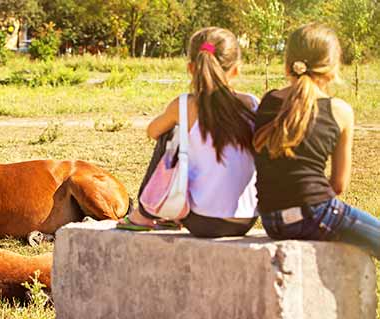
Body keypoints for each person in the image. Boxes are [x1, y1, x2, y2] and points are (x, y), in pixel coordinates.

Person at [117, 27, 258, 238]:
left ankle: (145, 214)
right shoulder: (253, 103)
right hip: (246, 220)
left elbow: (152, 131)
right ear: (237, 69)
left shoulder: (184, 105)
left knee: (169, 133)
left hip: (200, 220)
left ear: (191, 68)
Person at [253, 23, 380, 258]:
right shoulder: (339, 111)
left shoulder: (269, 101)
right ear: (332, 68)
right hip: (315, 213)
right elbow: (339, 185)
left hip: (271, 221)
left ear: (288, 63)